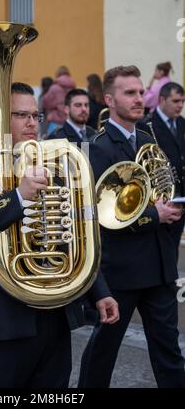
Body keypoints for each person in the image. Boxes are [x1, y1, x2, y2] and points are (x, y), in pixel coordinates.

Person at [0, 81, 119, 388]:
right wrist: (18, 196)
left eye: (35, 115)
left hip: (54, 317)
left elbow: (74, 235)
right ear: (1, 119)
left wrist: (99, 290)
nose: (30, 122)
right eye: (19, 114)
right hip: (0, 321)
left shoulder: (54, 165)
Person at [78, 65, 185, 388]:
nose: (139, 99)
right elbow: (101, 213)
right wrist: (156, 216)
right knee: (104, 351)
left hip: (159, 265)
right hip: (121, 271)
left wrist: (167, 211)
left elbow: (162, 188)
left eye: (140, 92)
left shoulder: (148, 138)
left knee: (169, 351)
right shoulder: (97, 147)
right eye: (130, 93)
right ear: (109, 99)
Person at [144, 82, 185, 258]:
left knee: (175, 240)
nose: (180, 105)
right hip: (164, 196)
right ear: (162, 99)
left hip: (182, 192)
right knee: (165, 245)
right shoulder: (148, 125)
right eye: (176, 101)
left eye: (182, 101)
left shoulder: (182, 123)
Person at [42, 66, 76, 137]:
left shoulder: (54, 87)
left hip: (55, 122)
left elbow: (45, 102)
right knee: (71, 145)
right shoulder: (73, 88)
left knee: (52, 145)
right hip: (70, 121)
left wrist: (54, 105)